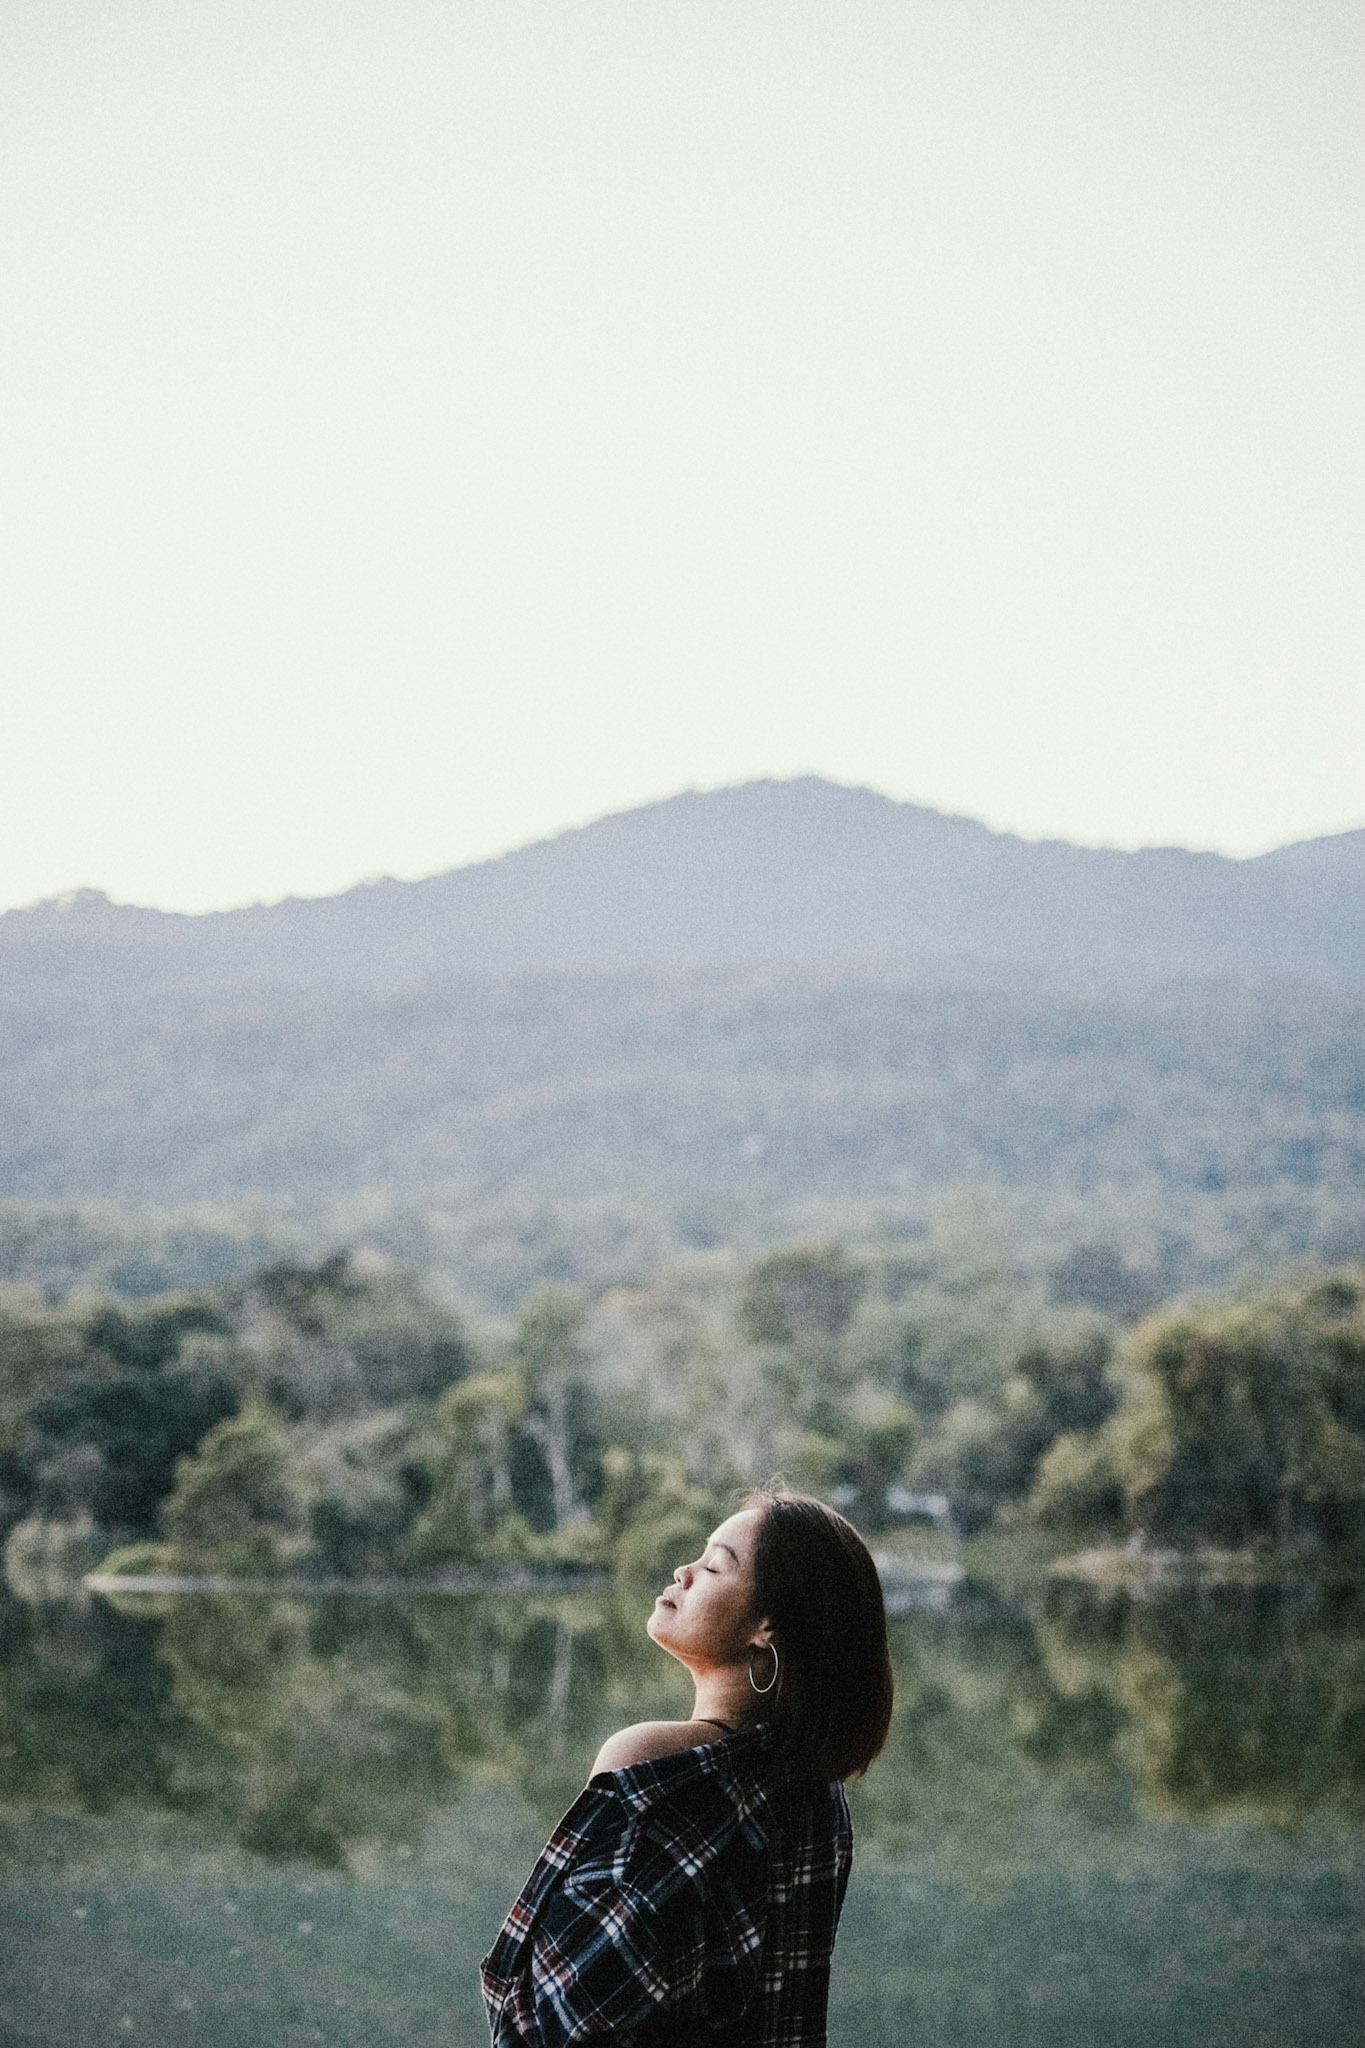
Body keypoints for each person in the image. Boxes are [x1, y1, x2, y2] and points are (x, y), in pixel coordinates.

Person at [481, 1485, 893, 2047]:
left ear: (766, 1627)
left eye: (715, 1567)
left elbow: (565, 2020)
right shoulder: (817, 1791)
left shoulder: (651, 1766)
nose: (683, 1571)